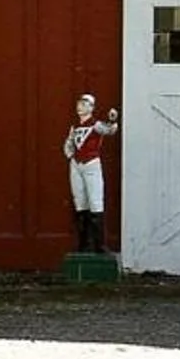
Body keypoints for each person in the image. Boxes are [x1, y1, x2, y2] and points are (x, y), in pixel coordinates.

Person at [64, 93, 120, 254]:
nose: (80, 106)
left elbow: (110, 130)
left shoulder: (96, 125)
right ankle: (83, 244)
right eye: (79, 103)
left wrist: (112, 120)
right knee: (80, 202)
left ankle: (99, 245)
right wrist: (70, 155)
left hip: (91, 164)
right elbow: (69, 143)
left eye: (84, 103)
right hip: (76, 165)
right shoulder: (74, 127)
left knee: (95, 202)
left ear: (91, 107)